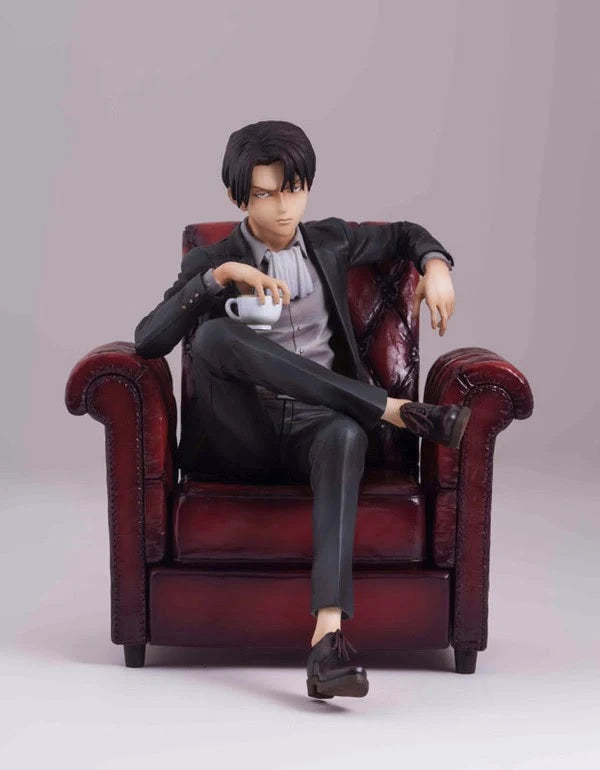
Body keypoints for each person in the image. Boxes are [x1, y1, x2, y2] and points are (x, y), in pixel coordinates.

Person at [134, 120, 471, 699]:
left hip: (317, 428)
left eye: (293, 190)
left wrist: (436, 265)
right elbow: (147, 340)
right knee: (213, 338)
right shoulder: (215, 259)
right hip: (242, 435)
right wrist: (217, 278)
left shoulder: (331, 242)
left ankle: (327, 642)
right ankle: (390, 410)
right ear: (239, 198)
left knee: (345, 436)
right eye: (265, 195)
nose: (283, 207)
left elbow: (405, 234)